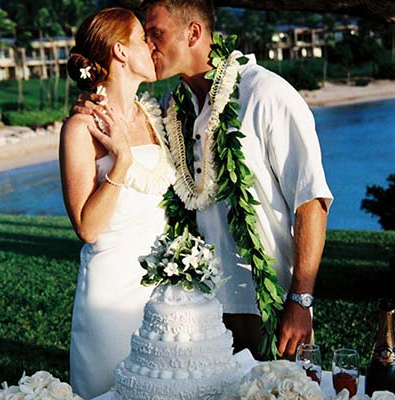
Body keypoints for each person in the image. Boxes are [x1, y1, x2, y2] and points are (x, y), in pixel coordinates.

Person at [75, 0, 333, 360]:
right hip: (199, 311)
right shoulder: (172, 107)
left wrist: (300, 299)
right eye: (145, 36)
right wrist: (92, 101)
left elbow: (312, 201)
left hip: (268, 303)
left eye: (156, 34)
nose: (149, 46)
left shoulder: (265, 94)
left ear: (193, 32)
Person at [59, 7, 175, 398]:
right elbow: (87, 228)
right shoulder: (82, 128)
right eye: (143, 38)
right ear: (121, 52)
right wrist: (122, 160)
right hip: (111, 297)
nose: (152, 45)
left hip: (163, 293)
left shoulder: (153, 114)